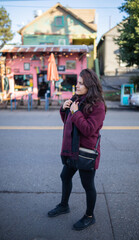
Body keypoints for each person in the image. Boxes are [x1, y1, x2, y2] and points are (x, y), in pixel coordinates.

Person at [48, 68, 107, 230]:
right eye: (77, 83)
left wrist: (75, 112)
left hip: (85, 152)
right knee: (65, 176)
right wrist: (64, 109)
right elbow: (69, 123)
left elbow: (88, 129)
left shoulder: (98, 105)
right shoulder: (77, 99)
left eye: (81, 83)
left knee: (88, 185)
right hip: (72, 150)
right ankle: (64, 205)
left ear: (90, 85)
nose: (77, 86)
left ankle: (89, 216)